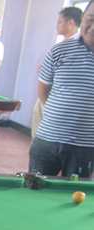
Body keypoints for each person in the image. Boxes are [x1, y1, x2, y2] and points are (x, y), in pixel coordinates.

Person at [28, 1, 94, 178]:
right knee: (34, 188)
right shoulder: (59, 50)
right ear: (82, 18)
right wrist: (58, 117)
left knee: (73, 193)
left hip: (86, 147)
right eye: (91, 19)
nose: (93, 27)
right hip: (47, 140)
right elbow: (43, 90)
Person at [31, 6, 82, 138]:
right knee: (38, 135)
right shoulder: (61, 46)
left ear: (70, 22)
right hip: (48, 98)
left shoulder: (79, 46)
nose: (56, 26)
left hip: (58, 101)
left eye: (59, 22)